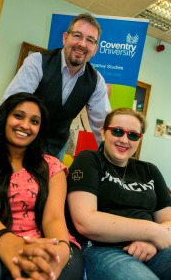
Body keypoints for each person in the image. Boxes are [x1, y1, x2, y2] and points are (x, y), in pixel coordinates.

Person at [0, 92, 83, 280]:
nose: (25, 126)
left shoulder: (52, 166)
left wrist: (62, 248)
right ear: (4, 118)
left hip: (52, 244)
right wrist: (6, 241)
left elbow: (53, 218)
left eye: (35, 121)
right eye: (18, 116)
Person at [66, 107, 171, 280]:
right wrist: (151, 231)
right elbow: (85, 221)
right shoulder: (89, 160)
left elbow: (169, 221)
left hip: (152, 247)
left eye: (133, 135)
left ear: (139, 139)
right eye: (117, 131)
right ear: (103, 132)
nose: (124, 140)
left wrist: (152, 241)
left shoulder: (150, 170)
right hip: (103, 248)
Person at [1, 13, 111, 161]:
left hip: (56, 149)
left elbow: (103, 125)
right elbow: (11, 105)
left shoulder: (96, 81)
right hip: (20, 141)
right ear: (65, 38)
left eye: (90, 40)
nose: (83, 44)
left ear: (95, 49)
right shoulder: (37, 62)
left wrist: (110, 157)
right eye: (77, 35)